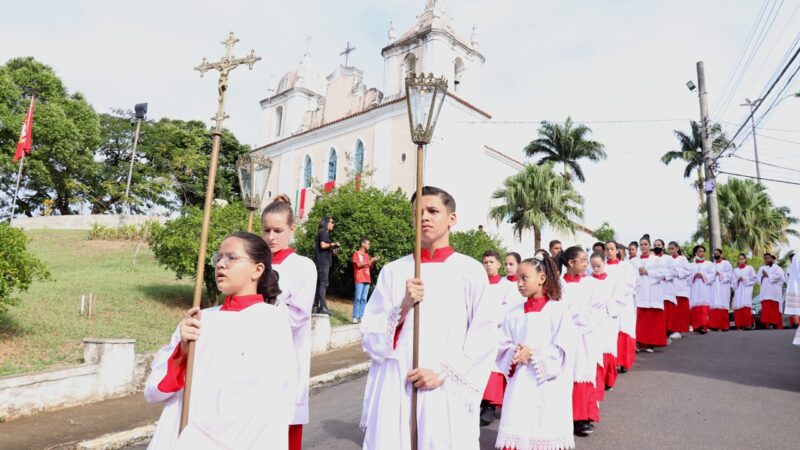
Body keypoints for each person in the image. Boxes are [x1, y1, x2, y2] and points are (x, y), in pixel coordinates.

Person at [359, 186, 502, 450]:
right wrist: (402, 307)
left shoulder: (469, 271)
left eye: (433, 211)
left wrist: (442, 373)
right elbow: (370, 336)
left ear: (452, 218)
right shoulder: (393, 271)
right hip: (397, 383)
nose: (424, 217)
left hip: (446, 387)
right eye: (418, 212)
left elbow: (485, 335)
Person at [144, 232, 295, 449]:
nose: (221, 265)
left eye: (232, 258)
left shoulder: (270, 321)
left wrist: (194, 441)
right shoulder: (199, 319)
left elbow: (250, 399)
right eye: (218, 258)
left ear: (257, 269)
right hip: (176, 431)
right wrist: (182, 351)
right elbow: (155, 390)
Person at [494, 254, 577, 450]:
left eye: (525, 278)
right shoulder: (513, 313)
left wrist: (533, 352)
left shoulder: (557, 311)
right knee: (518, 422)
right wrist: (513, 351)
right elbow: (502, 343)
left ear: (542, 278)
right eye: (517, 279)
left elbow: (564, 348)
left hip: (548, 383)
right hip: (520, 379)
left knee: (544, 423)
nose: (520, 283)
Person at [262, 195, 317, 450]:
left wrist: (269, 299)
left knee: (284, 434)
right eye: (267, 230)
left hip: (287, 359)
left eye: (278, 230)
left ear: (292, 229)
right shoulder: (254, 263)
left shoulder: (303, 266)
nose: (271, 237)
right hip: (250, 359)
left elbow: (297, 316)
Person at [559, 246, 602, 437]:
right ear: (570, 262)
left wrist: (583, 324)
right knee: (565, 374)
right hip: (564, 337)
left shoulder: (591, 284)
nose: (586, 264)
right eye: (583, 260)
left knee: (583, 373)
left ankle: (582, 418)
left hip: (585, 337)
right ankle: (563, 417)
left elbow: (598, 309)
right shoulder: (558, 285)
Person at [480, 250, 516, 426]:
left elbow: (508, 309)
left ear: (498, 264)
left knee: (494, 367)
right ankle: (480, 401)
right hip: (479, 331)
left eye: (491, 262)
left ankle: (490, 406)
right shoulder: (479, 284)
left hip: (497, 331)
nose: (488, 265)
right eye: (485, 262)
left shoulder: (506, 286)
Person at [588, 253, 619, 398]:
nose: (595, 269)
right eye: (592, 266)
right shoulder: (587, 281)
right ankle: (597, 381)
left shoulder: (612, 280)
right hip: (593, 320)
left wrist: (607, 305)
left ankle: (609, 379)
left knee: (608, 349)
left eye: (598, 266)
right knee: (595, 350)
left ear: (604, 263)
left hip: (608, 318)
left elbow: (619, 298)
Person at [631, 235, 668, 352]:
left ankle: (651, 343)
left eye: (645, 244)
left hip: (653, 292)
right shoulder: (633, 261)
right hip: (640, 292)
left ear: (650, 245)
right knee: (640, 319)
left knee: (653, 319)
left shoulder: (657, 259)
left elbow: (663, 273)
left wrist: (648, 272)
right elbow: (630, 276)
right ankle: (640, 342)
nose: (643, 247)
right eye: (641, 245)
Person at [605, 241, 637, 374]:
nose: (609, 251)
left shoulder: (626, 267)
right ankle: (613, 362)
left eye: (612, 249)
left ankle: (624, 362)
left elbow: (631, 284)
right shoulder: (603, 266)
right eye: (607, 249)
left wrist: (617, 297)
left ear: (617, 250)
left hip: (623, 303)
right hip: (607, 304)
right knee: (610, 333)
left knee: (624, 330)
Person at [313, 217, 340, 314]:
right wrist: (334, 244)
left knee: (319, 284)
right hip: (322, 262)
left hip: (320, 261)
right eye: (332, 222)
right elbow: (323, 245)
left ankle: (315, 306)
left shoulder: (321, 232)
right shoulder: (324, 232)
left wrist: (334, 252)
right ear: (326, 223)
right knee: (323, 284)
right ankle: (322, 307)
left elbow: (324, 249)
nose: (333, 224)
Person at [667, 241, 692, 338]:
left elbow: (688, 271)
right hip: (671, 286)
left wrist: (677, 272)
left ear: (677, 248)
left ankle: (680, 329)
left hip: (681, 286)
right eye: (669, 249)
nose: (671, 251)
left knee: (681, 310)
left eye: (673, 248)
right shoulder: (668, 259)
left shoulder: (682, 259)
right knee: (673, 310)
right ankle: (673, 329)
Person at [352, 237, 379, 324]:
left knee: (364, 299)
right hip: (359, 278)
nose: (369, 245)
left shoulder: (367, 256)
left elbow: (369, 266)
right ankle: (355, 317)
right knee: (358, 298)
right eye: (368, 244)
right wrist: (370, 260)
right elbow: (359, 265)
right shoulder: (356, 253)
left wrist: (373, 261)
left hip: (367, 279)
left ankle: (361, 317)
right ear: (362, 244)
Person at [688, 245, 714, 334]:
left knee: (703, 308)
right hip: (694, 288)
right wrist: (694, 276)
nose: (702, 253)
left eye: (703, 251)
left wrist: (702, 275)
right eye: (699, 251)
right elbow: (687, 277)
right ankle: (696, 326)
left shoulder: (709, 264)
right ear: (696, 253)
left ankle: (703, 326)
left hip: (704, 288)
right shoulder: (690, 265)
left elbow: (712, 275)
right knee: (695, 308)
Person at [757, 253, 785, 329]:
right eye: (765, 258)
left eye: (768, 258)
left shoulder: (777, 268)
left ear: (771, 258)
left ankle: (774, 323)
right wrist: (762, 277)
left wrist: (768, 275)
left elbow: (781, 277)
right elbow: (758, 279)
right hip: (765, 292)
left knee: (773, 309)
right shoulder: (761, 268)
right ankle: (767, 324)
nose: (767, 259)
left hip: (773, 292)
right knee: (766, 308)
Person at [709, 248, 733, 331]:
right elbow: (708, 276)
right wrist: (713, 275)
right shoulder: (712, 265)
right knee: (714, 305)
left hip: (723, 287)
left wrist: (720, 274)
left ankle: (724, 326)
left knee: (722, 305)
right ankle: (714, 326)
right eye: (714, 254)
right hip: (714, 287)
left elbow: (730, 275)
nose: (715, 255)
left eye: (717, 253)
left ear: (721, 254)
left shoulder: (726, 263)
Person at [732, 253, 756, 330]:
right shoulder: (735, 270)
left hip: (746, 289)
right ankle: (739, 324)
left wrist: (745, 279)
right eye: (739, 259)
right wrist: (737, 280)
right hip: (738, 290)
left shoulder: (750, 268)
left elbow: (754, 278)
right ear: (738, 261)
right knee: (738, 305)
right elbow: (732, 281)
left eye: (742, 259)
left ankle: (748, 324)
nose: (741, 260)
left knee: (746, 306)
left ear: (745, 260)